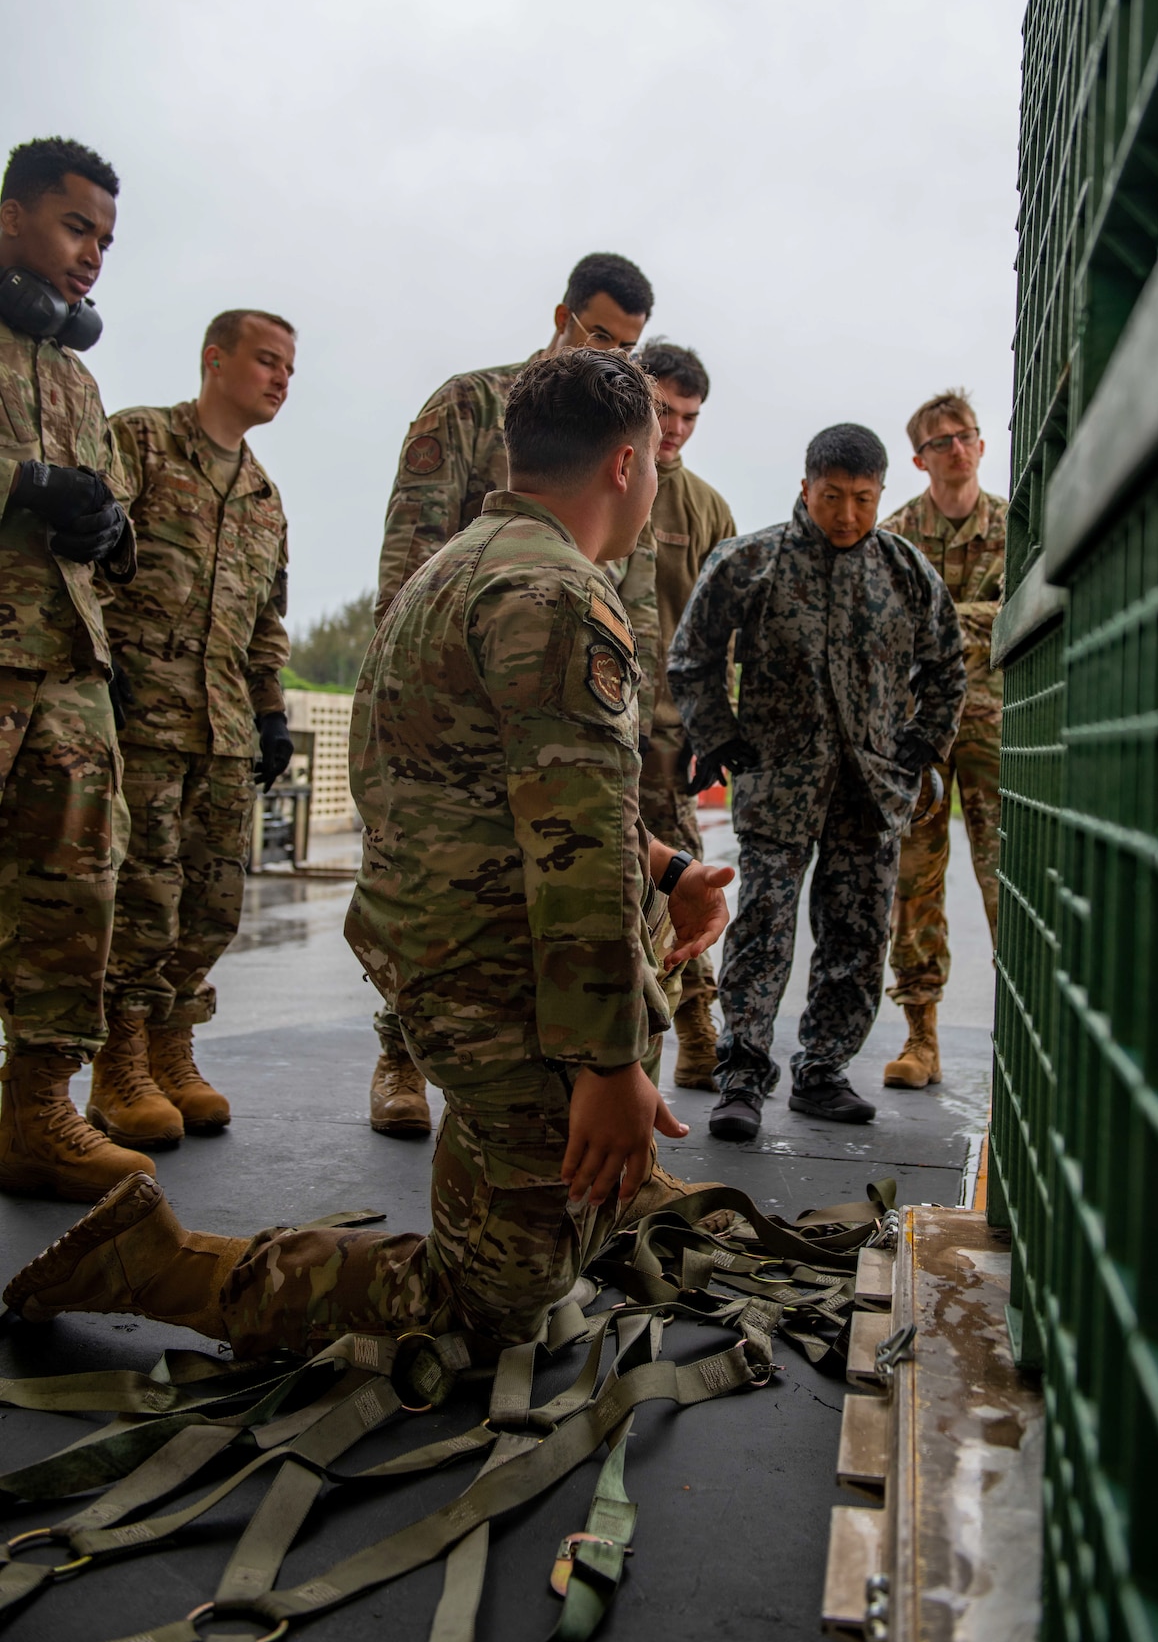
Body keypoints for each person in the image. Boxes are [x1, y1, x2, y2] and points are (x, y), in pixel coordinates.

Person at [5, 349, 734, 1357]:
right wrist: (606, 1065)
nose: (659, 482)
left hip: (439, 954)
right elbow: (570, 859)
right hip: (495, 975)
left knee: (564, 1200)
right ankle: (157, 1262)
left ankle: (535, 1164)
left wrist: (664, 869)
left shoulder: (460, 566)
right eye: (655, 457)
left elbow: (522, 788)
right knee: (495, 1313)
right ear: (623, 464)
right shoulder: (561, 596)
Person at [367, 251, 656, 1138]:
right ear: (562, 314)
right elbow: (410, 553)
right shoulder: (472, 405)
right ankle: (412, 1058)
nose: (614, 353)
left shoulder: (609, 434)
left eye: (630, 345)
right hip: (469, 675)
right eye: (600, 334)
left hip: (553, 667)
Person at [668, 423, 966, 1142]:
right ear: (805, 487)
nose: (846, 515)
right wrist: (720, 734)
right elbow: (692, 655)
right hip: (779, 784)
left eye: (863, 499)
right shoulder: (751, 563)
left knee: (856, 934)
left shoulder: (902, 570)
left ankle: (823, 1072)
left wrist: (921, 744)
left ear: (880, 493)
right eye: (831, 497)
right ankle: (741, 1076)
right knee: (762, 929)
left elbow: (947, 664)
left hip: (870, 790)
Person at [87, 312, 296, 1146]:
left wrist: (272, 709)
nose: (281, 379)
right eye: (266, 361)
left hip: (223, 729)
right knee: (139, 896)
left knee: (211, 903)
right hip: (140, 719)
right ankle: (120, 1060)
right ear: (215, 359)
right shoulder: (139, 441)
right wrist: (103, 665)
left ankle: (173, 1047)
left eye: (290, 367)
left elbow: (266, 618)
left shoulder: (263, 494)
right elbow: (86, 557)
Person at [0, 135, 150, 1201]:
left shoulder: (75, 374)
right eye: (73, 226)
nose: (91, 253)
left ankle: (38, 1111)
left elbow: (108, 511)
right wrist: (22, 482)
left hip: (65, 667)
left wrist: (106, 524)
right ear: (12, 215)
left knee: (73, 896)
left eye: (104, 236)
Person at [879, 392, 1006, 1087]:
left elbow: (1022, 605)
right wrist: (972, 623)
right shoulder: (896, 537)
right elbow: (892, 625)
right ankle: (919, 1039)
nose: (956, 449)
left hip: (990, 727)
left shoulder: (1017, 525)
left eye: (966, 437)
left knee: (1006, 880)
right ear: (919, 458)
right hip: (918, 730)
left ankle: (1020, 1028)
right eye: (940, 442)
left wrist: (940, 621)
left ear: (981, 446)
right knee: (913, 882)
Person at [635, 340, 736, 1090]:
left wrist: (714, 725)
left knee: (685, 888)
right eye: (663, 410)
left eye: (689, 417)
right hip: (579, 732)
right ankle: (401, 1058)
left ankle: (698, 1031)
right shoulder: (596, 477)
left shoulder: (705, 508)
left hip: (668, 740)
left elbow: (723, 635)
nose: (674, 429)